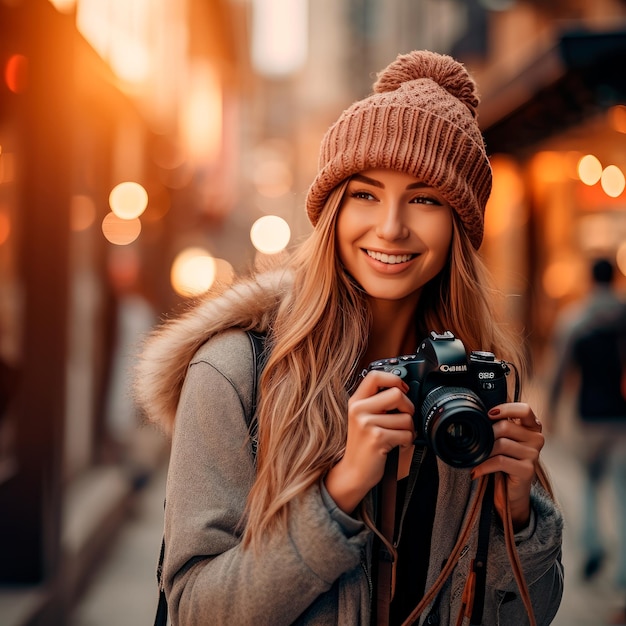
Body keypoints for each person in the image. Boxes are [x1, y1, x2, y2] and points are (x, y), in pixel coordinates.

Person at [135, 50, 564, 625]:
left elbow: (523, 615)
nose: (391, 227)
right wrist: (338, 493)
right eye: (364, 194)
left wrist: (519, 519)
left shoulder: (471, 388)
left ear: (459, 224)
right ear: (331, 210)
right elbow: (195, 610)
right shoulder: (235, 371)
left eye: (425, 198)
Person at [548, 257, 626, 592]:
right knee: (622, 492)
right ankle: (623, 571)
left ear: (590, 279)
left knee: (590, 485)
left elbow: (559, 370)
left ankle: (593, 547)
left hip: (588, 416)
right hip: (622, 418)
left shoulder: (575, 319)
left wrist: (549, 413)